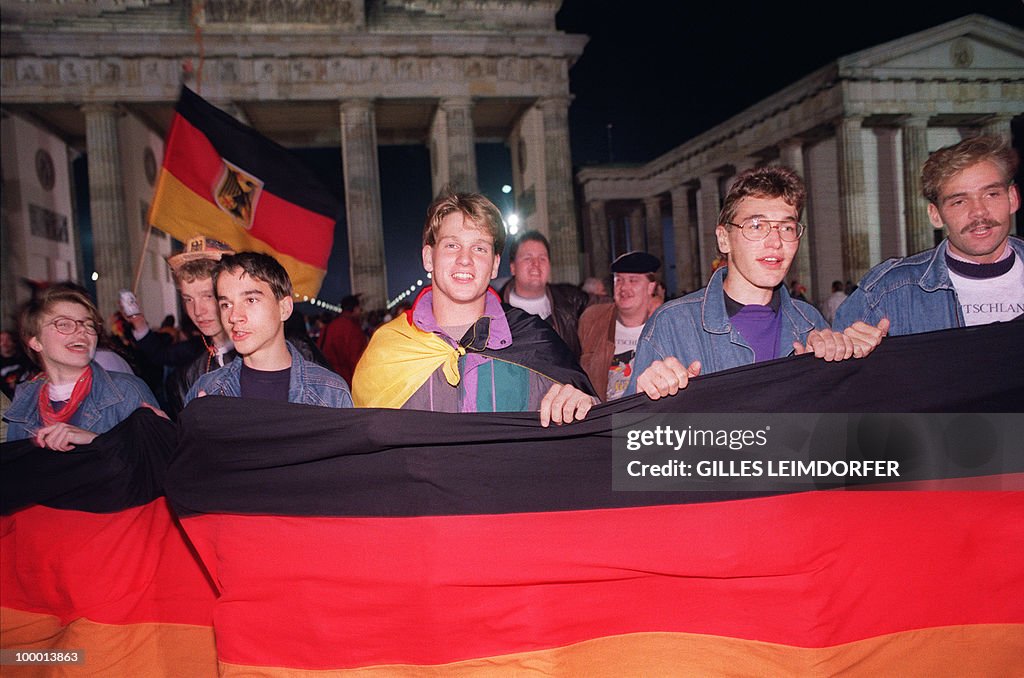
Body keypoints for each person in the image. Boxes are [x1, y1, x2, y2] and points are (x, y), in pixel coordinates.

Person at [630, 165, 889, 400]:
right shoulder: (673, 325)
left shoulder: (810, 322)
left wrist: (853, 364)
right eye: (756, 226)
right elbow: (630, 441)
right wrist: (645, 401)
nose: (776, 242)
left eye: (787, 228)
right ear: (724, 239)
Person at [352, 189, 596, 426]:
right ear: (429, 258)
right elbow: (361, 445)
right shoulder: (388, 347)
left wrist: (585, 405)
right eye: (452, 245)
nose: (465, 259)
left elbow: (596, 431)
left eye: (479, 248)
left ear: (494, 264)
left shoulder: (535, 339)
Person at [835, 135, 1022, 334]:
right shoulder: (886, 293)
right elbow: (838, 359)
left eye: (991, 194)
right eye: (959, 201)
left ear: (1012, 198)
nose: (979, 212)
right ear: (935, 215)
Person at [185, 252, 352, 407]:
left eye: (250, 300)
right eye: (226, 305)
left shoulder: (330, 393)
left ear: (284, 308)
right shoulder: (206, 390)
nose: (234, 316)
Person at [3, 286, 160, 449]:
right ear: (35, 341)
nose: (82, 331)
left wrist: (96, 442)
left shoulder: (126, 391)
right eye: (64, 324)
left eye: (88, 324)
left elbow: (159, 462)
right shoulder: (24, 402)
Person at [127, 236, 239, 415]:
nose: (197, 311)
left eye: (208, 296)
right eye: (188, 299)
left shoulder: (278, 354)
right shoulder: (185, 379)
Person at [578, 251, 661, 402]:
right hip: (603, 417)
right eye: (619, 280)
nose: (624, 287)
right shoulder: (593, 321)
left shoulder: (665, 324)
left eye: (633, 280)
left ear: (650, 287)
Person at [499, 230, 589, 357]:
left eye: (542, 258)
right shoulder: (495, 309)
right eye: (527, 258)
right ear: (513, 267)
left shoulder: (572, 301)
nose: (536, 264)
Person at [318, 293, 367, 385]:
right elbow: (357, 360)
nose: (360, 312)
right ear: (355, 309)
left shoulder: (328, 327)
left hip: (330, 381)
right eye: (360, 309)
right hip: (349, 382)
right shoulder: (353, 329)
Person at [0, 329, 35, 400]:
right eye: (1, 340)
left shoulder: (26, 359)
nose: (4, 343)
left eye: (8, 340)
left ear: (14, 342)